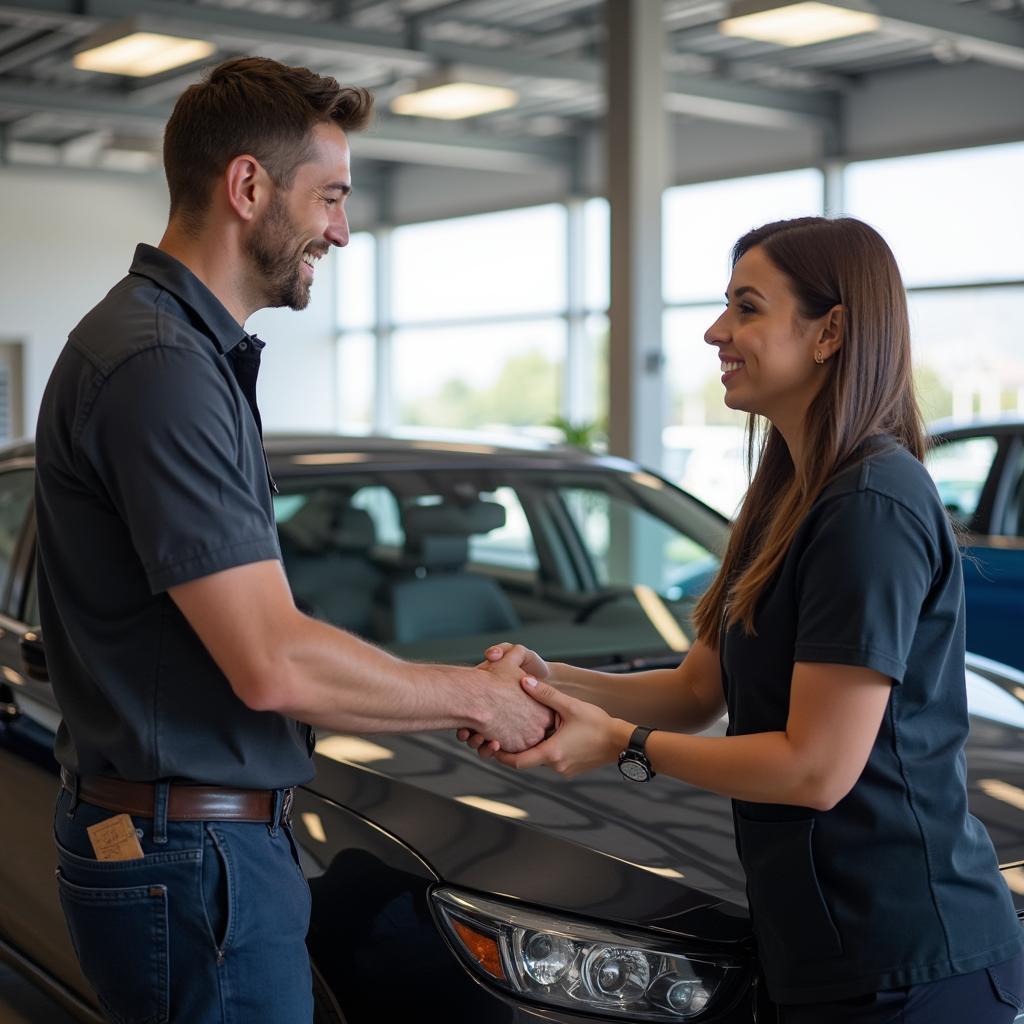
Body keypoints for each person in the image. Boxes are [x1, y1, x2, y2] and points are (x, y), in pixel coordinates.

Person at [35, 57, 551, 1024]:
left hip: (187, 847)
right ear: (247, 187)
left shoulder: (171, 352)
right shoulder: (160, 364)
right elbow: (270, 660)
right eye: (331, 198)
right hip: (194, 861)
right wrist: (471, 697)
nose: (342, 231)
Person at [463, 217, 1024, 1023]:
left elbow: (816, 768)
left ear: (830, 331)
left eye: (747, 308)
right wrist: (554, 681)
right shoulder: (788, 494)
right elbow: (698, 688)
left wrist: (620, 746)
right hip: (821, 952)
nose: (715, 331)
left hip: (907, 962)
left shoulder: (871, 505)